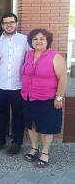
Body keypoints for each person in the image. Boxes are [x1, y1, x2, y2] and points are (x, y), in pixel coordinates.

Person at [21, 28, 67, 167]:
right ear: (31, 42)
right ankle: (34, 148)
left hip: (47, 99)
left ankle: (45, 152)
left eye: (42, 39)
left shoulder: (55, 56)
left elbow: (63, 78)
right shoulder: (29, 55)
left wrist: (59, 98)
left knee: (47, 127)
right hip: (28, 97)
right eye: (35, 39)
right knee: (31, 125)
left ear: (48, 41)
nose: (38, 41)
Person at [0, 13, 29, 155]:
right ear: (2, 25)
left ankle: (17, 142)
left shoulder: (25, 40)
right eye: (6, 23)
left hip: (18, 85)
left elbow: (31, 60)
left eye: (11, 22)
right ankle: (0, 139)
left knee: (18, 115)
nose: (9, 25)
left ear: (16, 24)